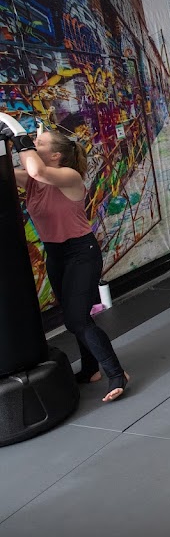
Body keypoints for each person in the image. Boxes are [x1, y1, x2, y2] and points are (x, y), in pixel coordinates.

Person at [5, 125, 129, 402]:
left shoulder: (70, 176)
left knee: (77, 320)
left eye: (40, 143)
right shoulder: (32, 180)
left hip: (81, 253)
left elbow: (38, 171)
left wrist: (19, 137)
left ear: (56, 156)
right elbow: (14, 173)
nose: (34, 145)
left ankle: (117, 373)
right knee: (75, 317)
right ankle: (91, 369)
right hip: (56, 255)